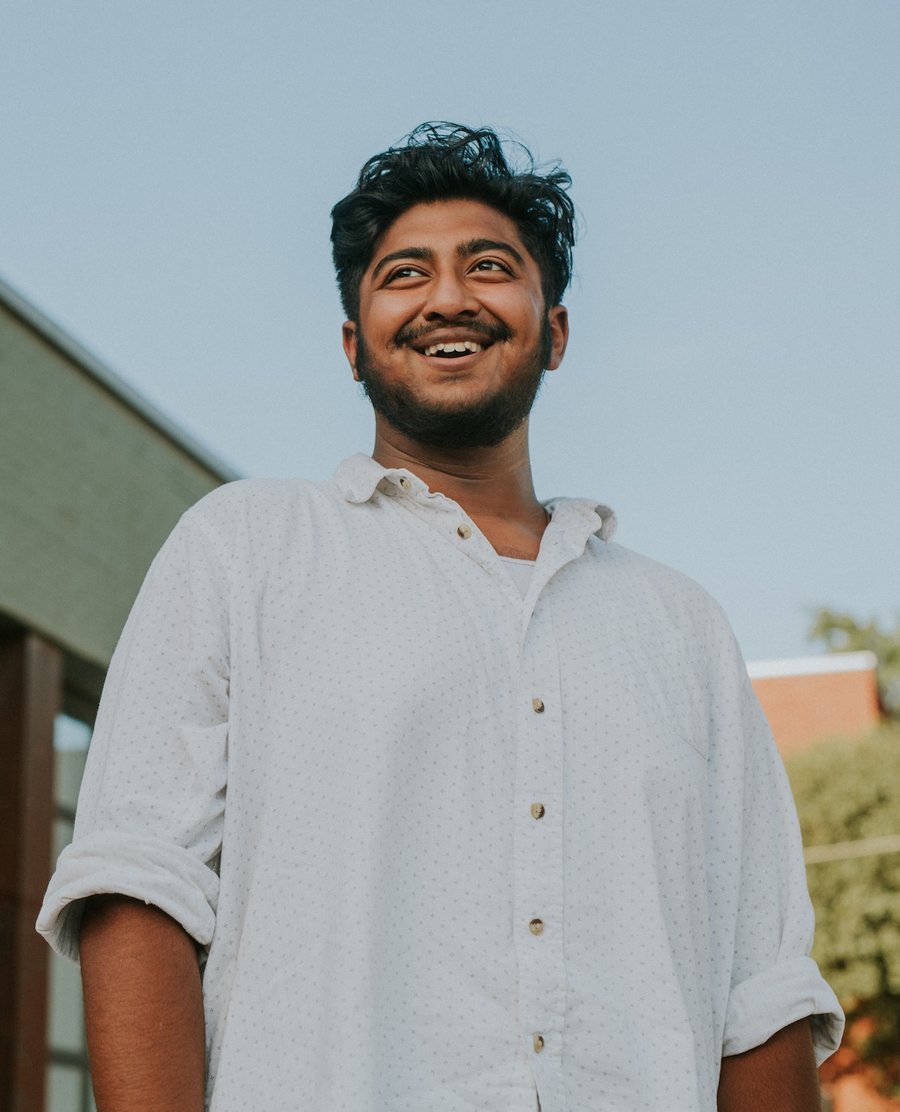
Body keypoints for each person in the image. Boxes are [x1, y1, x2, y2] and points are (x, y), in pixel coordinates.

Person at [38, 122, 843, 1112]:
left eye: (491, 267)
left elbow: (759, 988)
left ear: (555, 331)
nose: (449, 297)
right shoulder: (245, 547)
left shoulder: (683, 627)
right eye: (405, 273)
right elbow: (140, 884)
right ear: (354, 344)